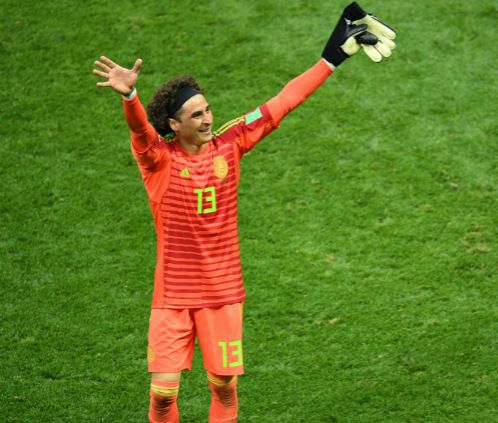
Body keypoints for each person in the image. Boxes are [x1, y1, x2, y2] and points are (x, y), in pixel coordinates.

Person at [92, 3, 395, 422]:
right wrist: (130, 96)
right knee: (162, 394)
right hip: (173, 297)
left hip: (222, 292)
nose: (206, 119)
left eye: (207, 109)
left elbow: (284, 101)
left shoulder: (230, 143)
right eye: (195, 115)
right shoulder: (158, 160)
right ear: (173, 125)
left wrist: (332, 59)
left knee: (224, 387)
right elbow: (140, 130)